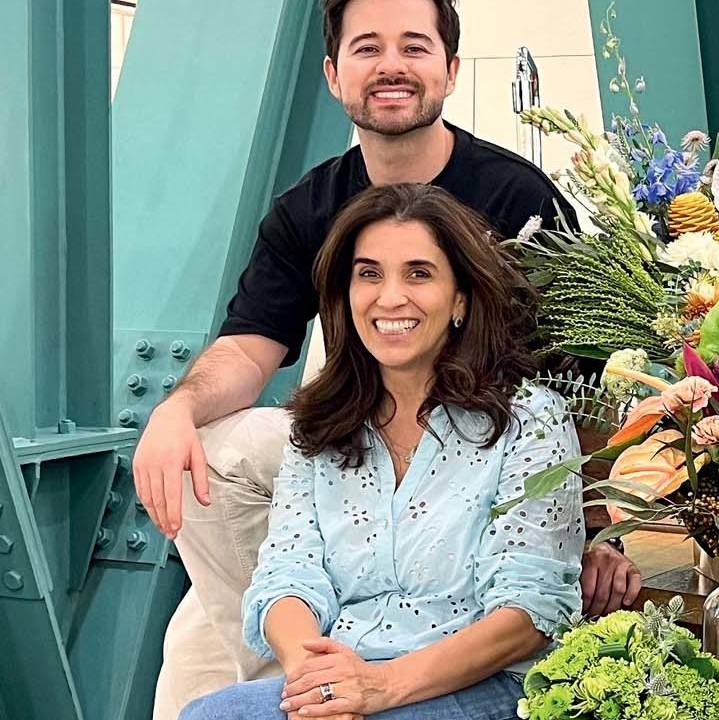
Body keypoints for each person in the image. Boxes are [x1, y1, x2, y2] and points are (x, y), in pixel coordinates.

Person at [137, 0, 640, 715]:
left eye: (414, 46)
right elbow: (250, 346)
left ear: (451, 69)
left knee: (207, 669)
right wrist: (175, 410)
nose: (392, 66)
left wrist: (594, 532)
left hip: (503, 474)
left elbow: (585, 381)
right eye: (368, 48)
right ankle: (304, 669)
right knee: (210, 466)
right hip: (366, 440)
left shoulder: (516, 197)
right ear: (334, 74)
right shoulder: (307, 210)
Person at [179, 183, 584, 720]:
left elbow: (528, 613)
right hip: (352, 671)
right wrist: (319, 684)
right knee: (211, 716)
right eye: (369, 274)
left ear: (461, 297)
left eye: (419, 273)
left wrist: (383, 687)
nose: (390, 297)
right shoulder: (320, 427)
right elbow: (288, 576)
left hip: (486, 686)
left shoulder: (529, 421)